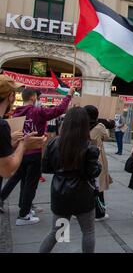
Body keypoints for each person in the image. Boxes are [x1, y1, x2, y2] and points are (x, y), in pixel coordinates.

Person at [0, 87, 74, 225]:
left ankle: (25, 209)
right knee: (30, 185)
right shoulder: (37, 111)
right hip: (33, 152)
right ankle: (23, 215)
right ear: (33, 97)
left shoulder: (16, 113)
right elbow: (59, 110)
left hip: (20, 152)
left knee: (22, 182)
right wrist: (68, 95)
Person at [39, 107, 101, 253]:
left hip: (60, 192)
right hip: (83, 194)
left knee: (55, 232)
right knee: (88, 231)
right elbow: (93, 172)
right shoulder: (89, 147)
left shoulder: (53, 143)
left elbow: (46, 168)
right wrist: (96, 163)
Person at [0, 76, 39, 213]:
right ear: (10, 96)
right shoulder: (2, 125)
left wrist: (9, 141)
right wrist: (23, 144)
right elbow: (7, 170)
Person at [84, 105, 113, 222]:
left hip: (83, 157)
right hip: (97, 157)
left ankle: (83, 211)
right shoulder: (99, 126)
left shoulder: (80, 125)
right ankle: (99, 213)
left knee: (85, 185)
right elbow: (107, 137)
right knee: (98, 186)